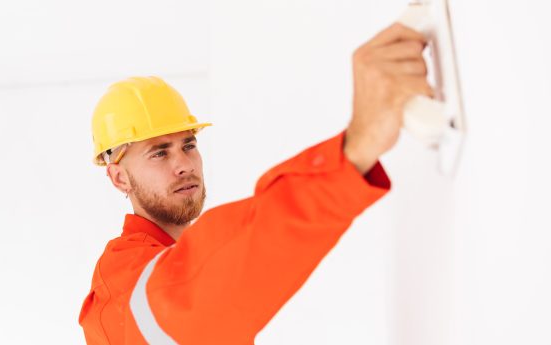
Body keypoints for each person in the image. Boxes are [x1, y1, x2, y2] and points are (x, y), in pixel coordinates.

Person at [79, 23, 432, 344]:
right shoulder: (122, 290)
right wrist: (356, 149)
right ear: (119, 176)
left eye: (188, 145)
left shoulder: (172, 264)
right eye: (159, 153)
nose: (184, 165)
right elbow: (205, 288)